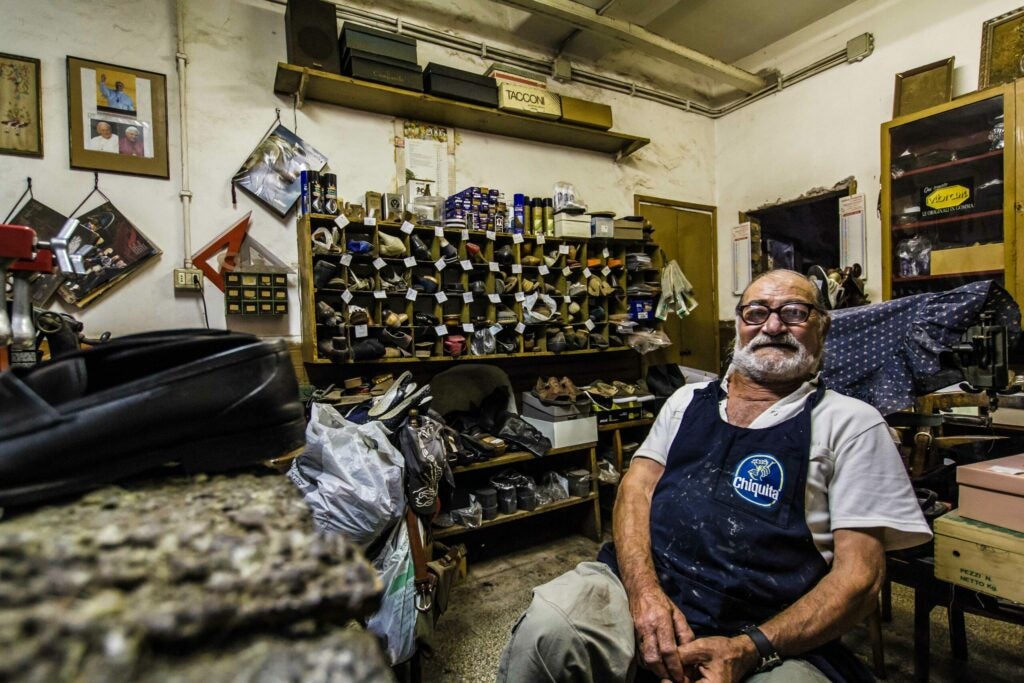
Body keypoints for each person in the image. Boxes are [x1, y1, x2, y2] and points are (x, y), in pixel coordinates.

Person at [498, 269, 932, 683]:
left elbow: (861, 578)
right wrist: (644, 592)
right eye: (756, 312)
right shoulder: (686, 400)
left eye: (794, 313)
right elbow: (636, 489)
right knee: (548, 630)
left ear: (823, 327)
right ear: (740, 326)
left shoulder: (852, 423)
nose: (773, 325)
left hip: (766, 621)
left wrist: (750, 647)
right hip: (649, 580)